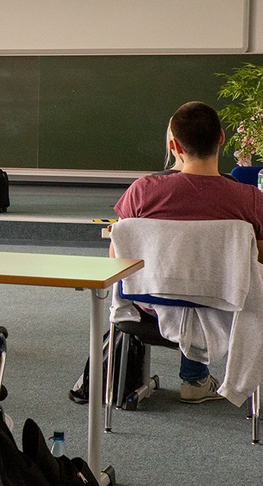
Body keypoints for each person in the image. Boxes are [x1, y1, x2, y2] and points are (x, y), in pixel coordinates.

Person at [113, 101, 263, 404]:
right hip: (227, 305)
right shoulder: (249, 199)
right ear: (221, 138)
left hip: (152, 303)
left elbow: (117, 258)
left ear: (173, 144)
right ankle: (199, 380)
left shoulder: (142, 191)